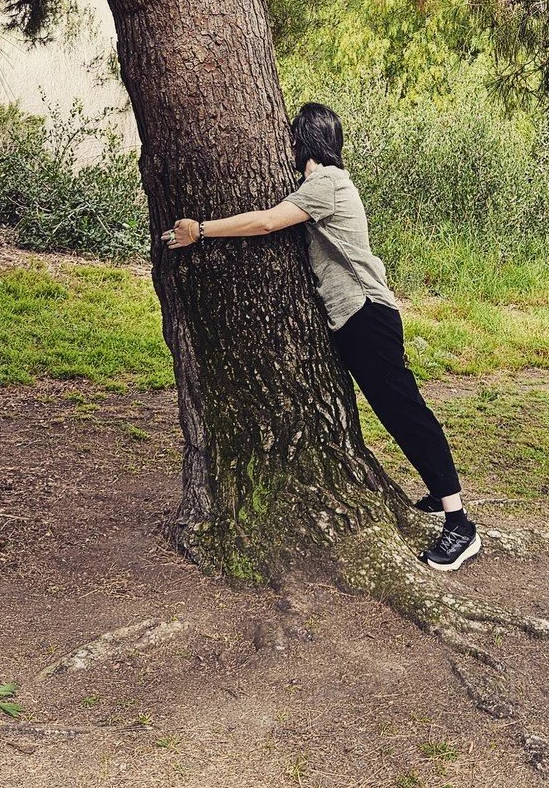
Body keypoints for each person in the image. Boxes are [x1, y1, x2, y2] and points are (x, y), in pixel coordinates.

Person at [161, 102, 480, 572]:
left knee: (404, 410)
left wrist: (201, 230)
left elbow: (267, 222)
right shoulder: (326, 184)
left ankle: (460, 525)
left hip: (366, 315)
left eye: (291, 139)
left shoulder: (325, 183)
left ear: (302, 142)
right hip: (358, 318)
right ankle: (439, 489)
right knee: (398, 410)